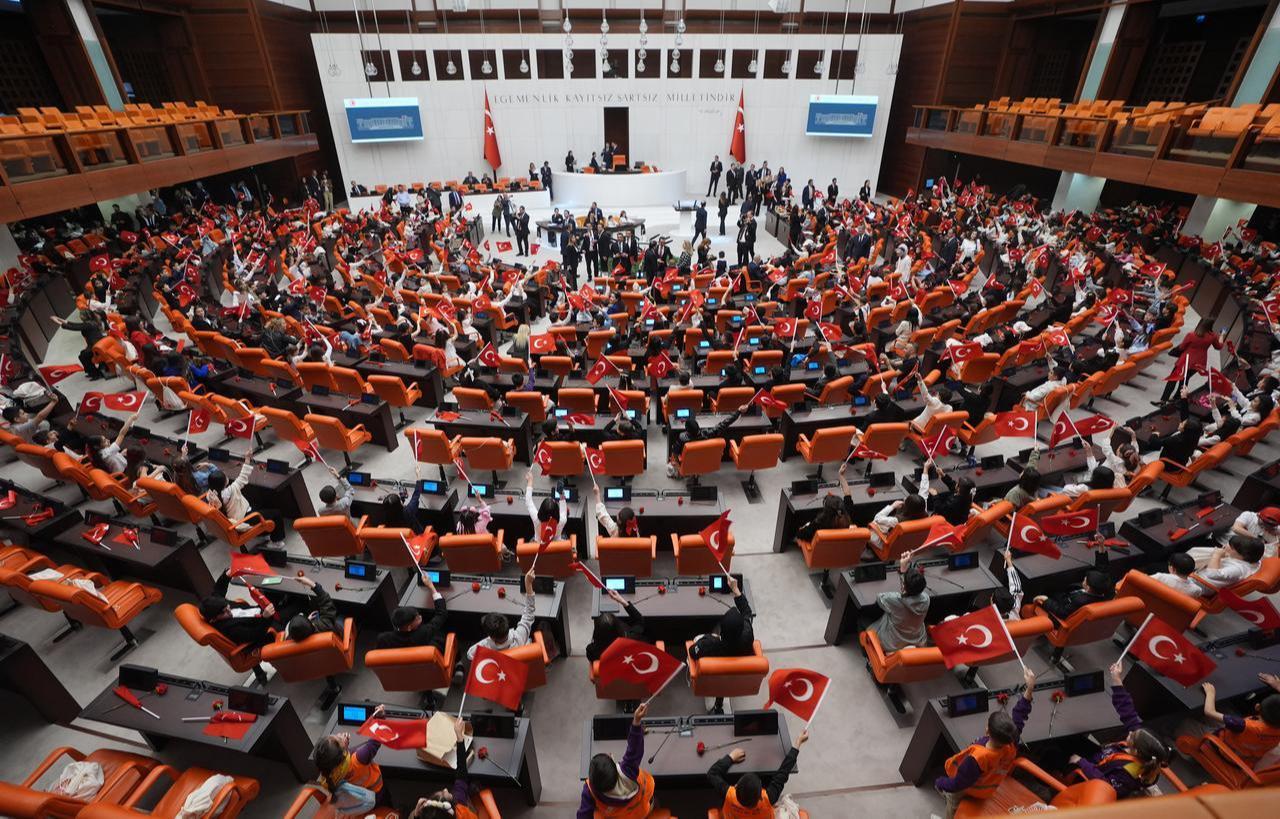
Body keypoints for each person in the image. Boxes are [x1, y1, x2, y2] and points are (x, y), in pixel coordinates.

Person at [936, 668, 1037, 818]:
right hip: (988, 789)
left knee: (953, 802)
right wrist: (1029, 688)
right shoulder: (1011, 743)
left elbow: (958, 784)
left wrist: (941, 783)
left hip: (969, 789)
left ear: (987, 731)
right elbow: (1020, 714)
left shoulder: (976, 759)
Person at [1069, 661, 1170, 798]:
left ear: (1136, 751)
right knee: (1071, 738)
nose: (1130, 732)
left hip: (1088, 776)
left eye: (1132, 736)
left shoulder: (1128, 775)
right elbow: (1128, 711)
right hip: (1098, 757)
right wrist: (1116, 678)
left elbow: (1106, 786)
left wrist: (1081, 762)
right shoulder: (1140, 742)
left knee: (1056, 753)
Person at [689, 575, 754, 714]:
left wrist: (708, 637)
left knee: (697, 638)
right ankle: (721, 698)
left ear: (721, 632)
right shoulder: (747, 636)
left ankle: (717, 694)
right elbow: (747, 613)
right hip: (736, 681)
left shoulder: (710, 645)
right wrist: (736, 590)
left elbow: (692, 651)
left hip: (714, 678)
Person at [707, 729, 807, 817]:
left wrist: (730, 757)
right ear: (760, 797)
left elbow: (712, 773)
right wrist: (798, 743)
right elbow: (783, 773)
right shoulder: (769, 798)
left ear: (736, 786)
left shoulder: (728, 794)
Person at [1188, 676, 1280, 771]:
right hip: (1246, 759)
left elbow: (1209, 712)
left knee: (1186, 723)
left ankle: (1191, 755)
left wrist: (1210, 693)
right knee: (1223, 707)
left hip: (1225, 751)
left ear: (1257, 707)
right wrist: (1278, 686)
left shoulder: (1241, 725)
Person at [578, 703, 653, 818]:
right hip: (642, 811)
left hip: (618, 816)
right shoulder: (628, 772)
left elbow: (583, 816)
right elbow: (635, 748)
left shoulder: (589, 791)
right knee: (651, 802)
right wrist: (636, 720)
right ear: (615, 770)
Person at [314, 705, 390, 812]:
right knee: (385, 802)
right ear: (342, 754)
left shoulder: (327, 777)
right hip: (376, 790)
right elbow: (376, 740)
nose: (339, 734)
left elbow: (342, 764)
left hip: (358, 798)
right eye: (338, 738)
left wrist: (344, 747)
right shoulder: (360, 758)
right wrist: (380, 718)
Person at [405, 716, 484, 818]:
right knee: (465, 788)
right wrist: (460, 738)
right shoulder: (460, 805)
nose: (446, 789)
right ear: (453, 805)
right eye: (444, 793)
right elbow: (461, 775)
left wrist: (415, 815)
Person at [197, 569, 280, 649]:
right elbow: (255, 634)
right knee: (286, 610)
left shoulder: (217, 603)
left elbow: (218, 589)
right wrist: (265, 618)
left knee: (276, 586)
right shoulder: (231, 629)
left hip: (262, 610)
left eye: (227, 607)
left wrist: (226, 575)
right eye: (225, 612)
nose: (229, 610)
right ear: (214, 619)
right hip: (266, 625)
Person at [466, 570, 535, 661]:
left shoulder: (484, 648)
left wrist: (488, 641)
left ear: (491, 636)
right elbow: (529, 614)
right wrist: (528, 584)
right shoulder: (519, 638)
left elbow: (469, 654)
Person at [869, 552, 930, 652]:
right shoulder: (926, 599)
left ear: (904, 587)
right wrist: (903, 569)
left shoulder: (893, 600)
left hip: (893, 644)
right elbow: (908, 590)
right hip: (917, 641)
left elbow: (879, 598)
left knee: (864, 622)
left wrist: (903, 570)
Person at [1029, 569, 1115, 623]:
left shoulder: (1079, 601)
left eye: (1085, 580)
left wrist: (1046, 600)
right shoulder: (1105, 592)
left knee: (1043, 588)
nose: (1084, 579)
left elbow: (1061, 612)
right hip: (1067, 596)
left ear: (1088, 587)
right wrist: (1101, 550)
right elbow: (1103, 571)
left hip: (1059, 609)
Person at [586, 587, 647, 662]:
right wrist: (622, 601)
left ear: (597, 632)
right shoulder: (631, 639)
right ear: (618, 628)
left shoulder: (591, 651)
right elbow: (639, 621)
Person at [282, 575, 341, 641]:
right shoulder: (324, 625)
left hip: (320, 646)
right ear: (311, 624)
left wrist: (308, 621)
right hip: (337, 639)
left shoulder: (289, 639)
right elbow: (326, 602)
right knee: (340, 617)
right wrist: (311, 583)